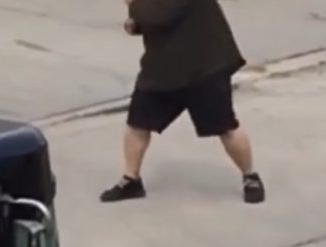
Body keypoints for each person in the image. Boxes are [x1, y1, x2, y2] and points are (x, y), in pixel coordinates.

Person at [100, 0, 265, 204]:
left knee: (225, 126)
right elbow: (153, 18)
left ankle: (250, 177)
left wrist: (133, 4)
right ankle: (131, 179)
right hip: (163, 68)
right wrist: (137, 25)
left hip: (204, 67)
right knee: (138, 123)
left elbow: (158, 14)